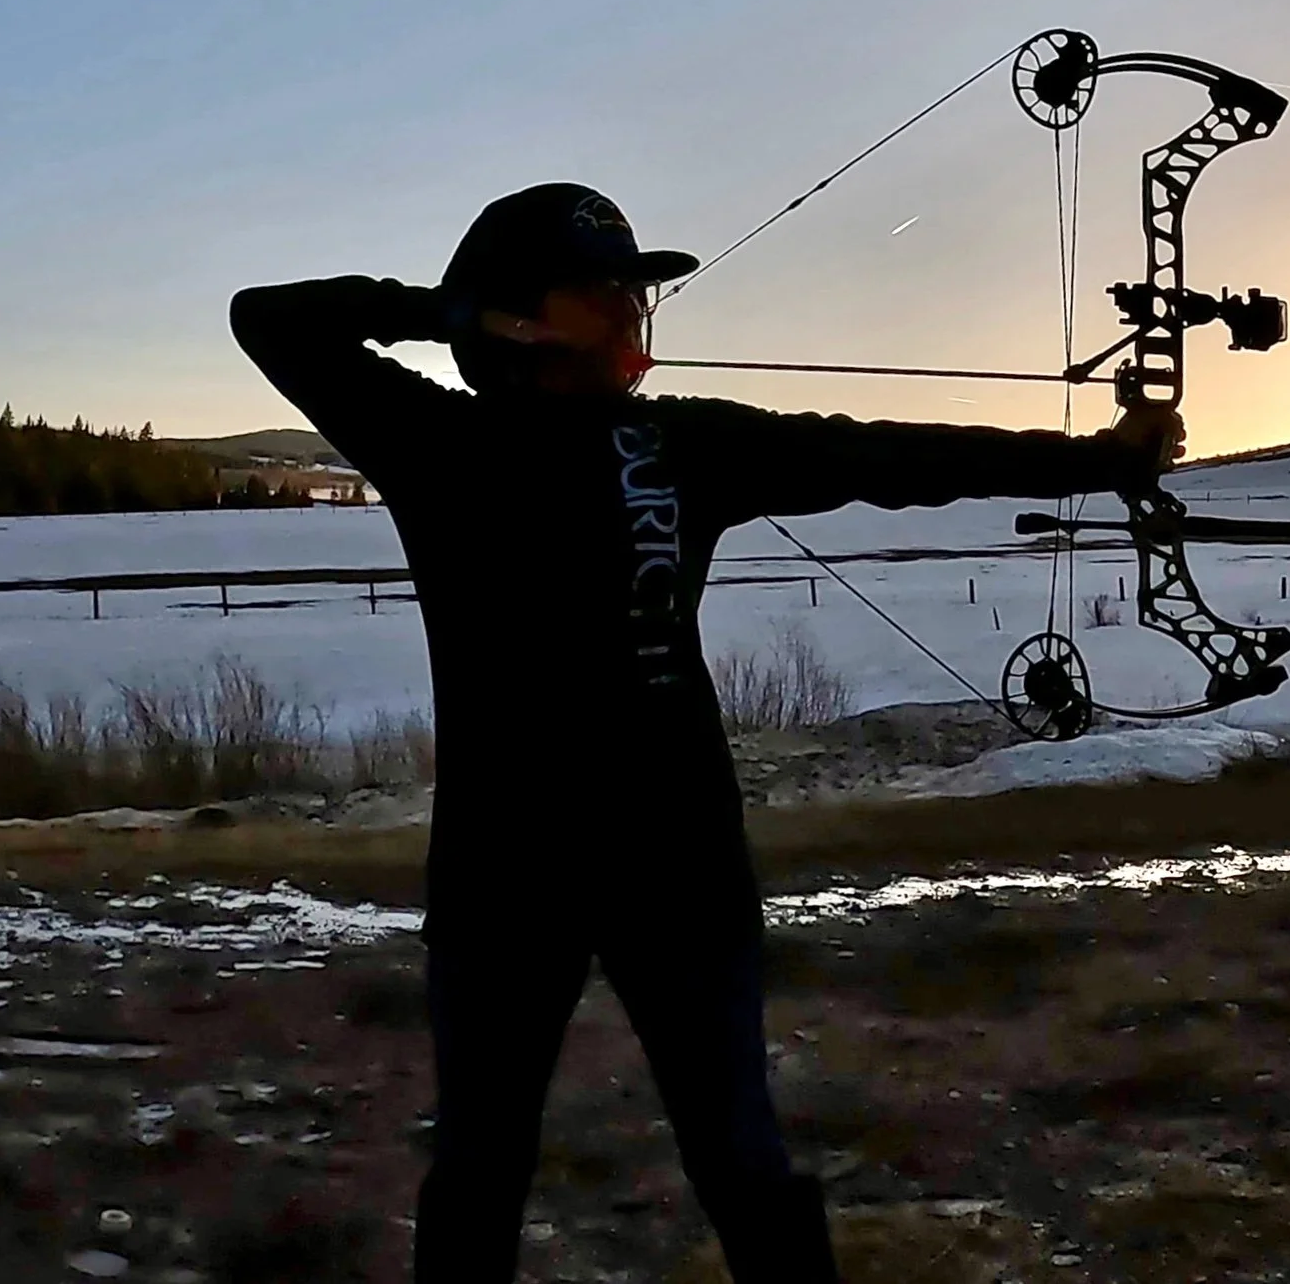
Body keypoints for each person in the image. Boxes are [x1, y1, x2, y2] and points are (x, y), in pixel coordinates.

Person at [229, 182, 1177, 1283]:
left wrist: (1102, 460)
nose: (635, 312)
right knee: (481, 1169)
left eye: (637, 291)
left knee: (740, 1156)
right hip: (504, 875)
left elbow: (885, 457)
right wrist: (450, 312)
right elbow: (271, 316)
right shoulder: (438, 439)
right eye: (604, 291)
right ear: (520, 313)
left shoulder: (676, 443)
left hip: (679, 867)